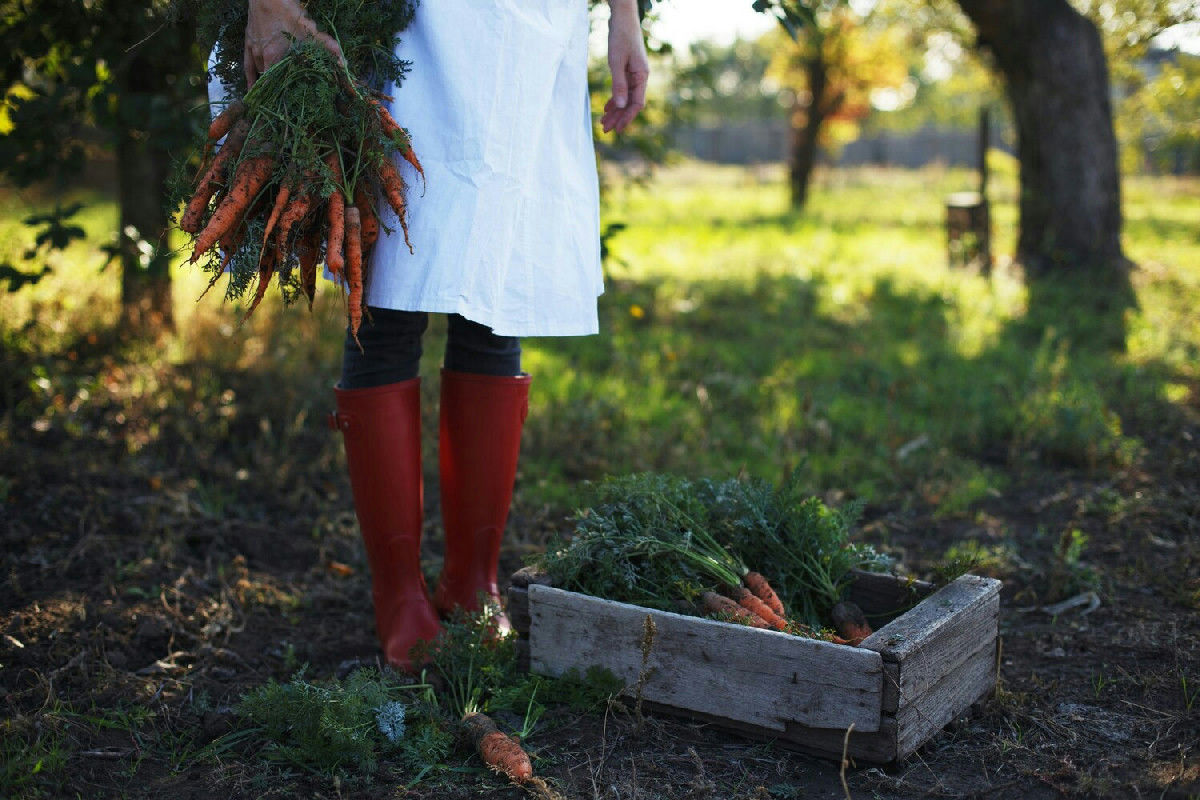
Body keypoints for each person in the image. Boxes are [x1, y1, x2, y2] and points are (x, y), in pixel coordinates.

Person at [243, 0, 649, 669]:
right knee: (387, 288)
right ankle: (398, 592)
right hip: (404, 22)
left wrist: (624, 17)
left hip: (528, 29)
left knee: (494, 288)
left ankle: (472, 582)